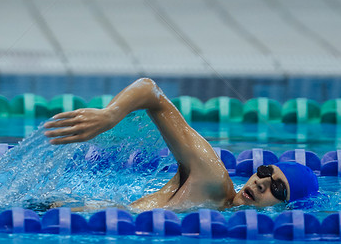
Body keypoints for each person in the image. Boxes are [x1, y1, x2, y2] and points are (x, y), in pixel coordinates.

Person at [44, 78, 318, 211]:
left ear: (287, 208)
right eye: (265, 171)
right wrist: (110, 114)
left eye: (277, 188)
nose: (262, 182)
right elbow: (151, 91)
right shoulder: (211, 177)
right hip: (61, 213)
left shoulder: (222, 213)